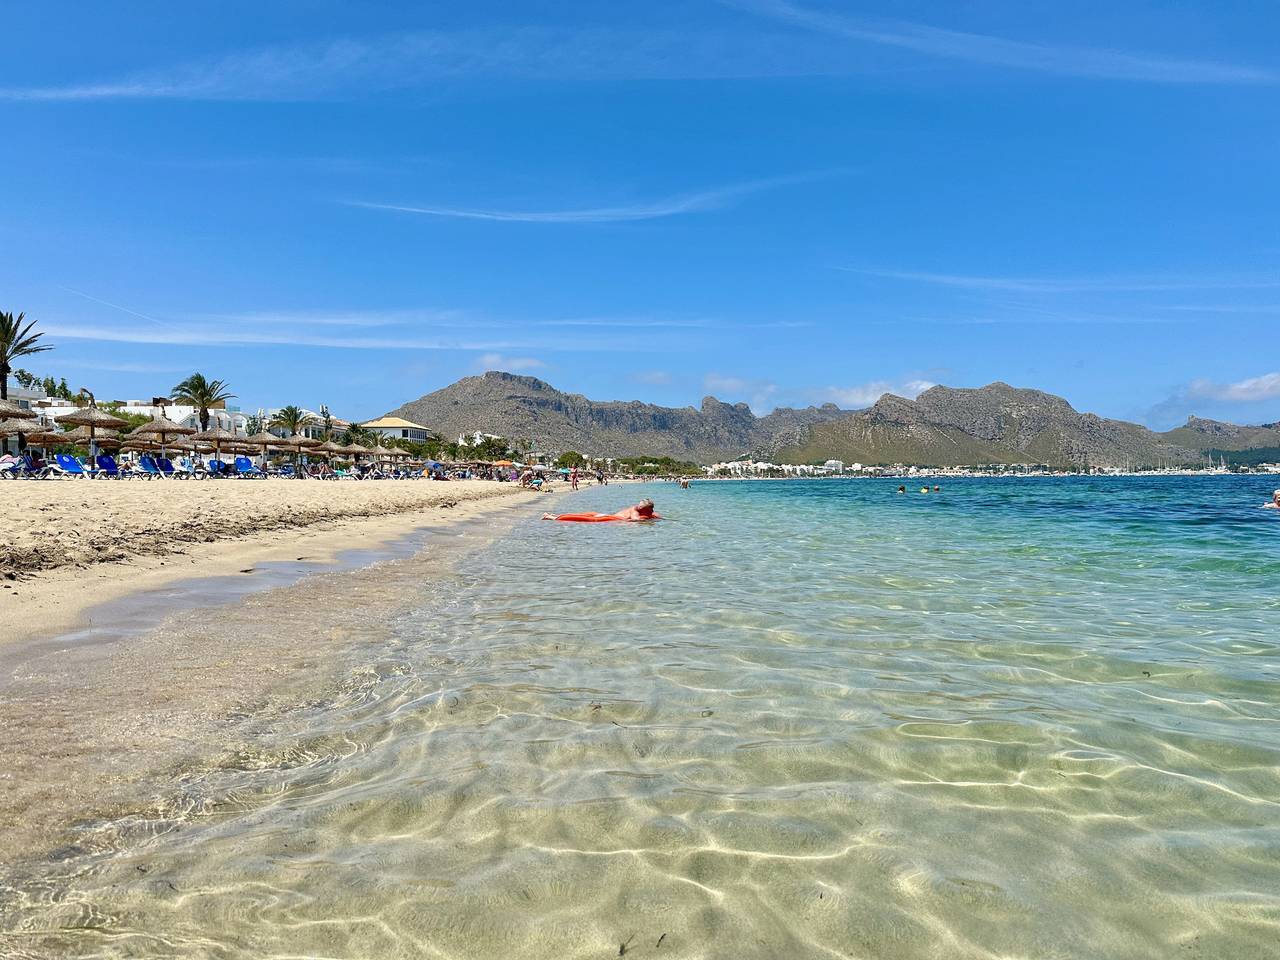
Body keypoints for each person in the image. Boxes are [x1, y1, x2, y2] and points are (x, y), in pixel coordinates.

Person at [543, 498, 662, 522]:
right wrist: (647, 520)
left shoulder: (647, 512)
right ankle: (552, 517)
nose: (638, 506)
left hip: (610, 516)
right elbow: (635, 520)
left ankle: (554, 515)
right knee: (587, 518)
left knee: (588, 515)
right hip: (612, 518)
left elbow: (653, 515)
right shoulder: (635, 511)